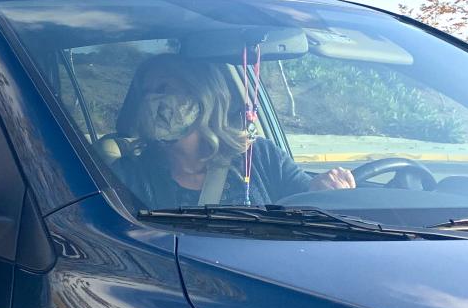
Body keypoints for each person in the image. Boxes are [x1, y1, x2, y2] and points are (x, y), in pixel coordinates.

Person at [110, 53, 355, 208]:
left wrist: (328, 190)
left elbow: (308, 200)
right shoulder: (131, 174)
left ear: (202, 95)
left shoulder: (259, 156)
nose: (154, 100)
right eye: (146, 93)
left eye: (165, 88)